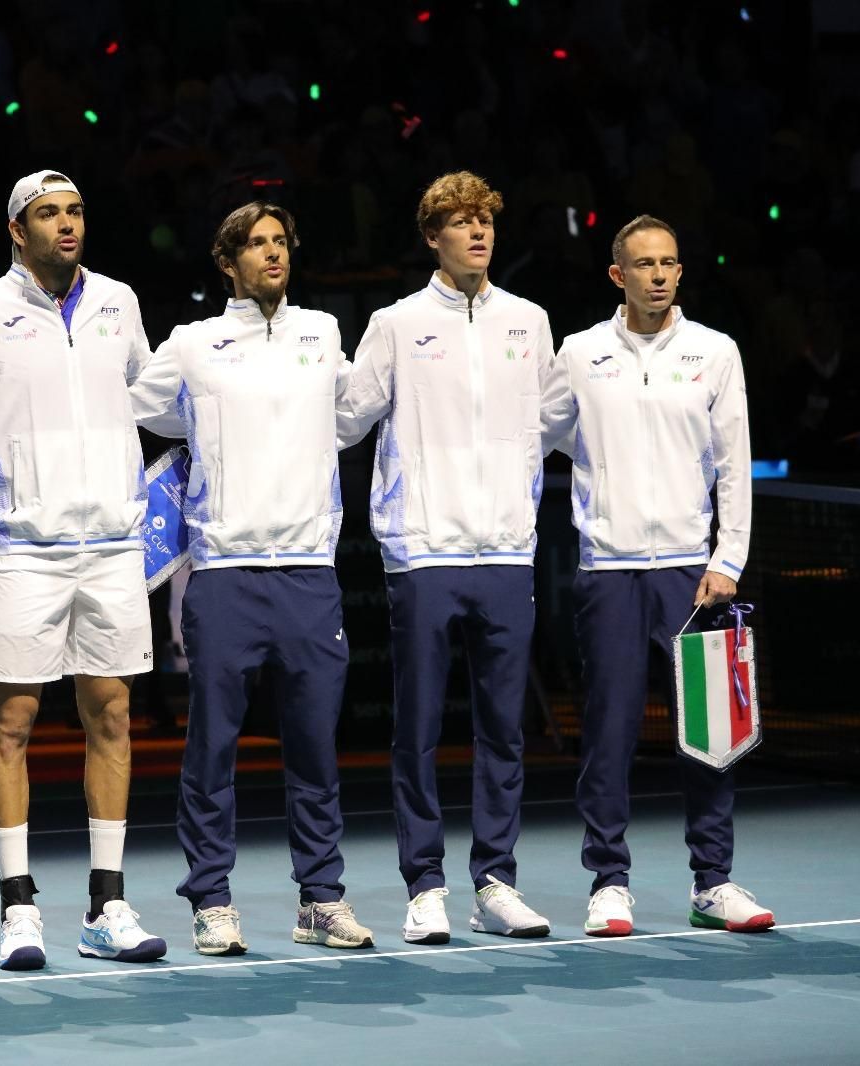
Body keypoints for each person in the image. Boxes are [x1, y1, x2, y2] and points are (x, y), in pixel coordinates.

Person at [129, 201, 376, 956]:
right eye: (256, 244)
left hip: (308, 573)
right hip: (226, 575)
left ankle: (321, 897)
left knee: (314, 749)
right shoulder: (193, 344)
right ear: (227, 261)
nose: (273, 254)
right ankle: (211, 898)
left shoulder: (322, 333)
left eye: (280, 242)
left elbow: (352, 416)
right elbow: (140, 408)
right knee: (213, 749)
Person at [0, 170, 166, 969]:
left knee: (110, 714)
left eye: (75, 210)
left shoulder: (120, 302)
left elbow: (145, 397)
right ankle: (17, 909)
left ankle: (106, 905)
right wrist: (3, 468)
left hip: (110, 546)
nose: (66, 224)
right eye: (48, 214)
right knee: (12, 724)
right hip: (23, 549)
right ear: (16, 229)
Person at [540, 214, 775, 936]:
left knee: (710, 732)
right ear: (618, 275)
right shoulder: (579, 354)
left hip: (692, 577)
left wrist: (726, 558)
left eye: (669, 262)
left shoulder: (715, 352)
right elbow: (538, 436)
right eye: (643, 264)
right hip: (608, 571)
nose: (658, 275)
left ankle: (714, 881)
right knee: (608, 732)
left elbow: (734, 463)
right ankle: (609, 883)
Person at [344, 171, 554, 945]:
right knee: (420, 728)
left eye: (486, 222)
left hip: (506, 551)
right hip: (422, 551)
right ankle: (424, 886)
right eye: (461, 223)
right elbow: (345, 416)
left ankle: (494, 883)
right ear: (432, 236)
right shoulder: (395, 324)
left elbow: (550, 420)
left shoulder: (530, 321)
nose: (479, 233)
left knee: (504, 729)